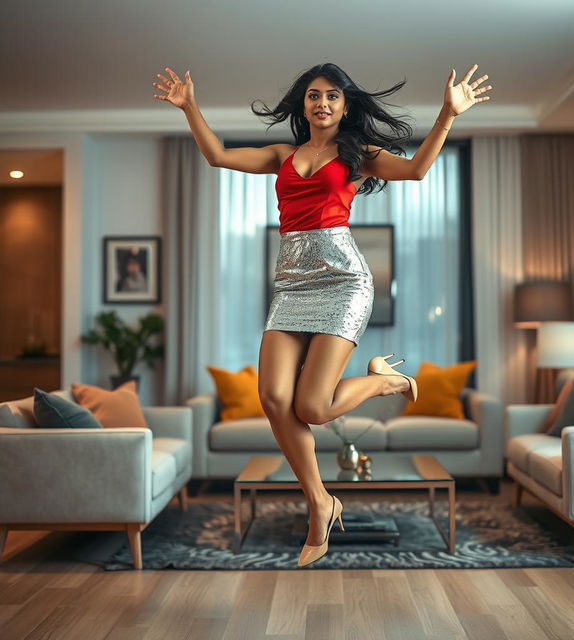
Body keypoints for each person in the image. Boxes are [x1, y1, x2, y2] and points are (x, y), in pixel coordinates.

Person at [152, 62, 491, 567]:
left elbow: (419, 169)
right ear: (303, 104)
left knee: (311, 408)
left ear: (345, 105)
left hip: (344, 281)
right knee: (272, 397)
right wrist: (189, 107)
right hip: (291, 284)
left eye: (333, 96)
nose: (323, 103)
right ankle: (320, 501)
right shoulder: (281, 155)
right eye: (313, 95)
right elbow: (218, 155)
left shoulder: (358, 155)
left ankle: (381, 382)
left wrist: (447, 112)